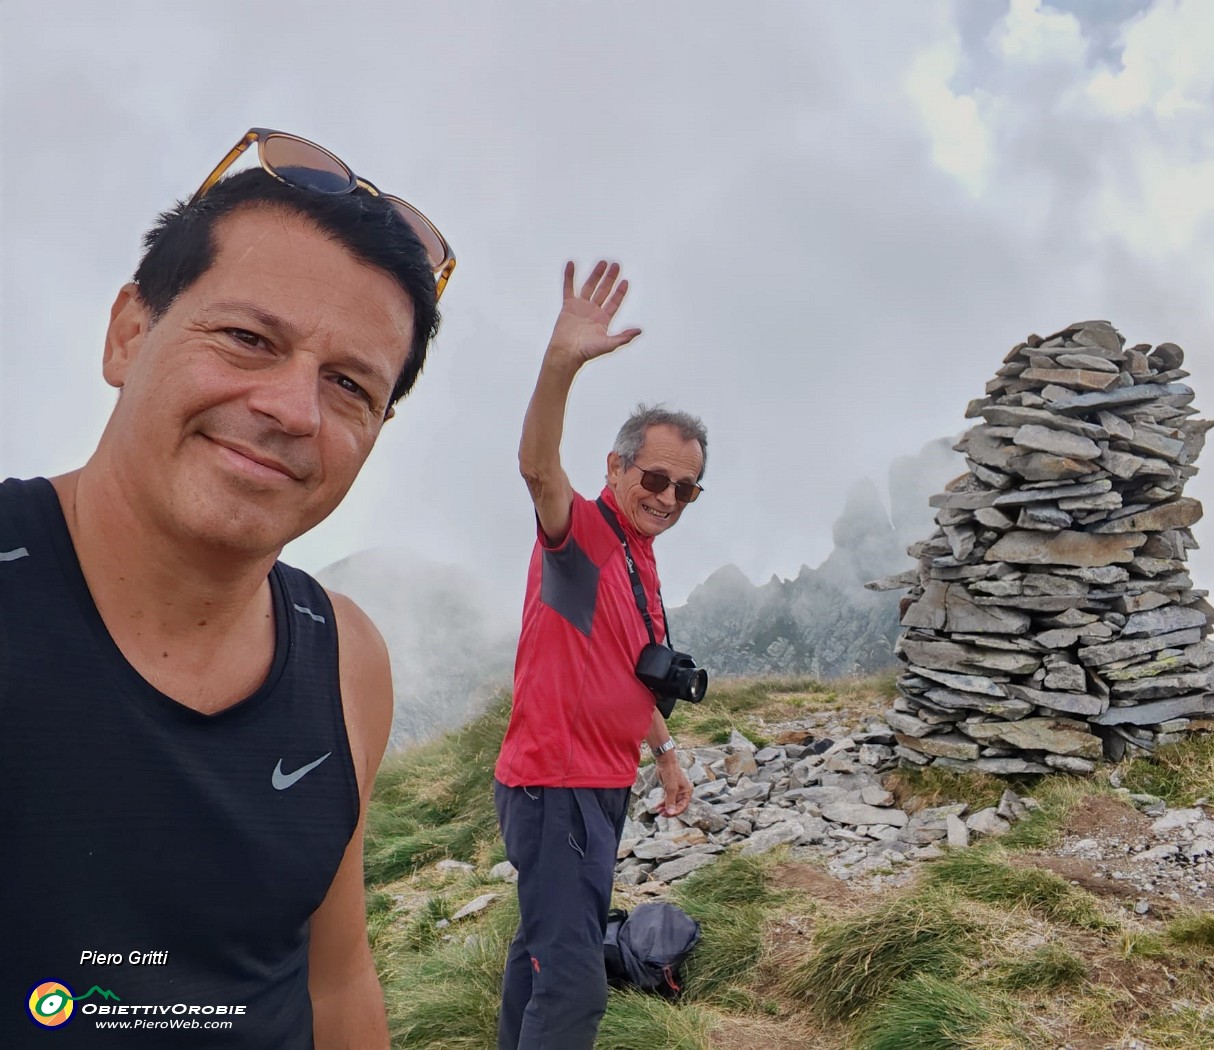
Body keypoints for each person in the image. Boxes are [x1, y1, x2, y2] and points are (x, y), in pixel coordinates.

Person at [0, 128, 453, 1048]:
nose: (293, 410)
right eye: (249, 339)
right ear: (130, 333)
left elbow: (337, 980)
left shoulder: (346, 657)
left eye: (349, 386)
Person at [493, 260, 707, 1049]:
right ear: (615, 468)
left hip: (598, 785)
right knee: (578, 983)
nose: (667, 497)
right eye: (654, 476)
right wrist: (561, 365)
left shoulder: (639, 552)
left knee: (543, 947)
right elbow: (536, 468)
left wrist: (666, 753)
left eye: (686, 488)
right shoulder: (581, 535)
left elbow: (632, 664)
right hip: (557, 787)